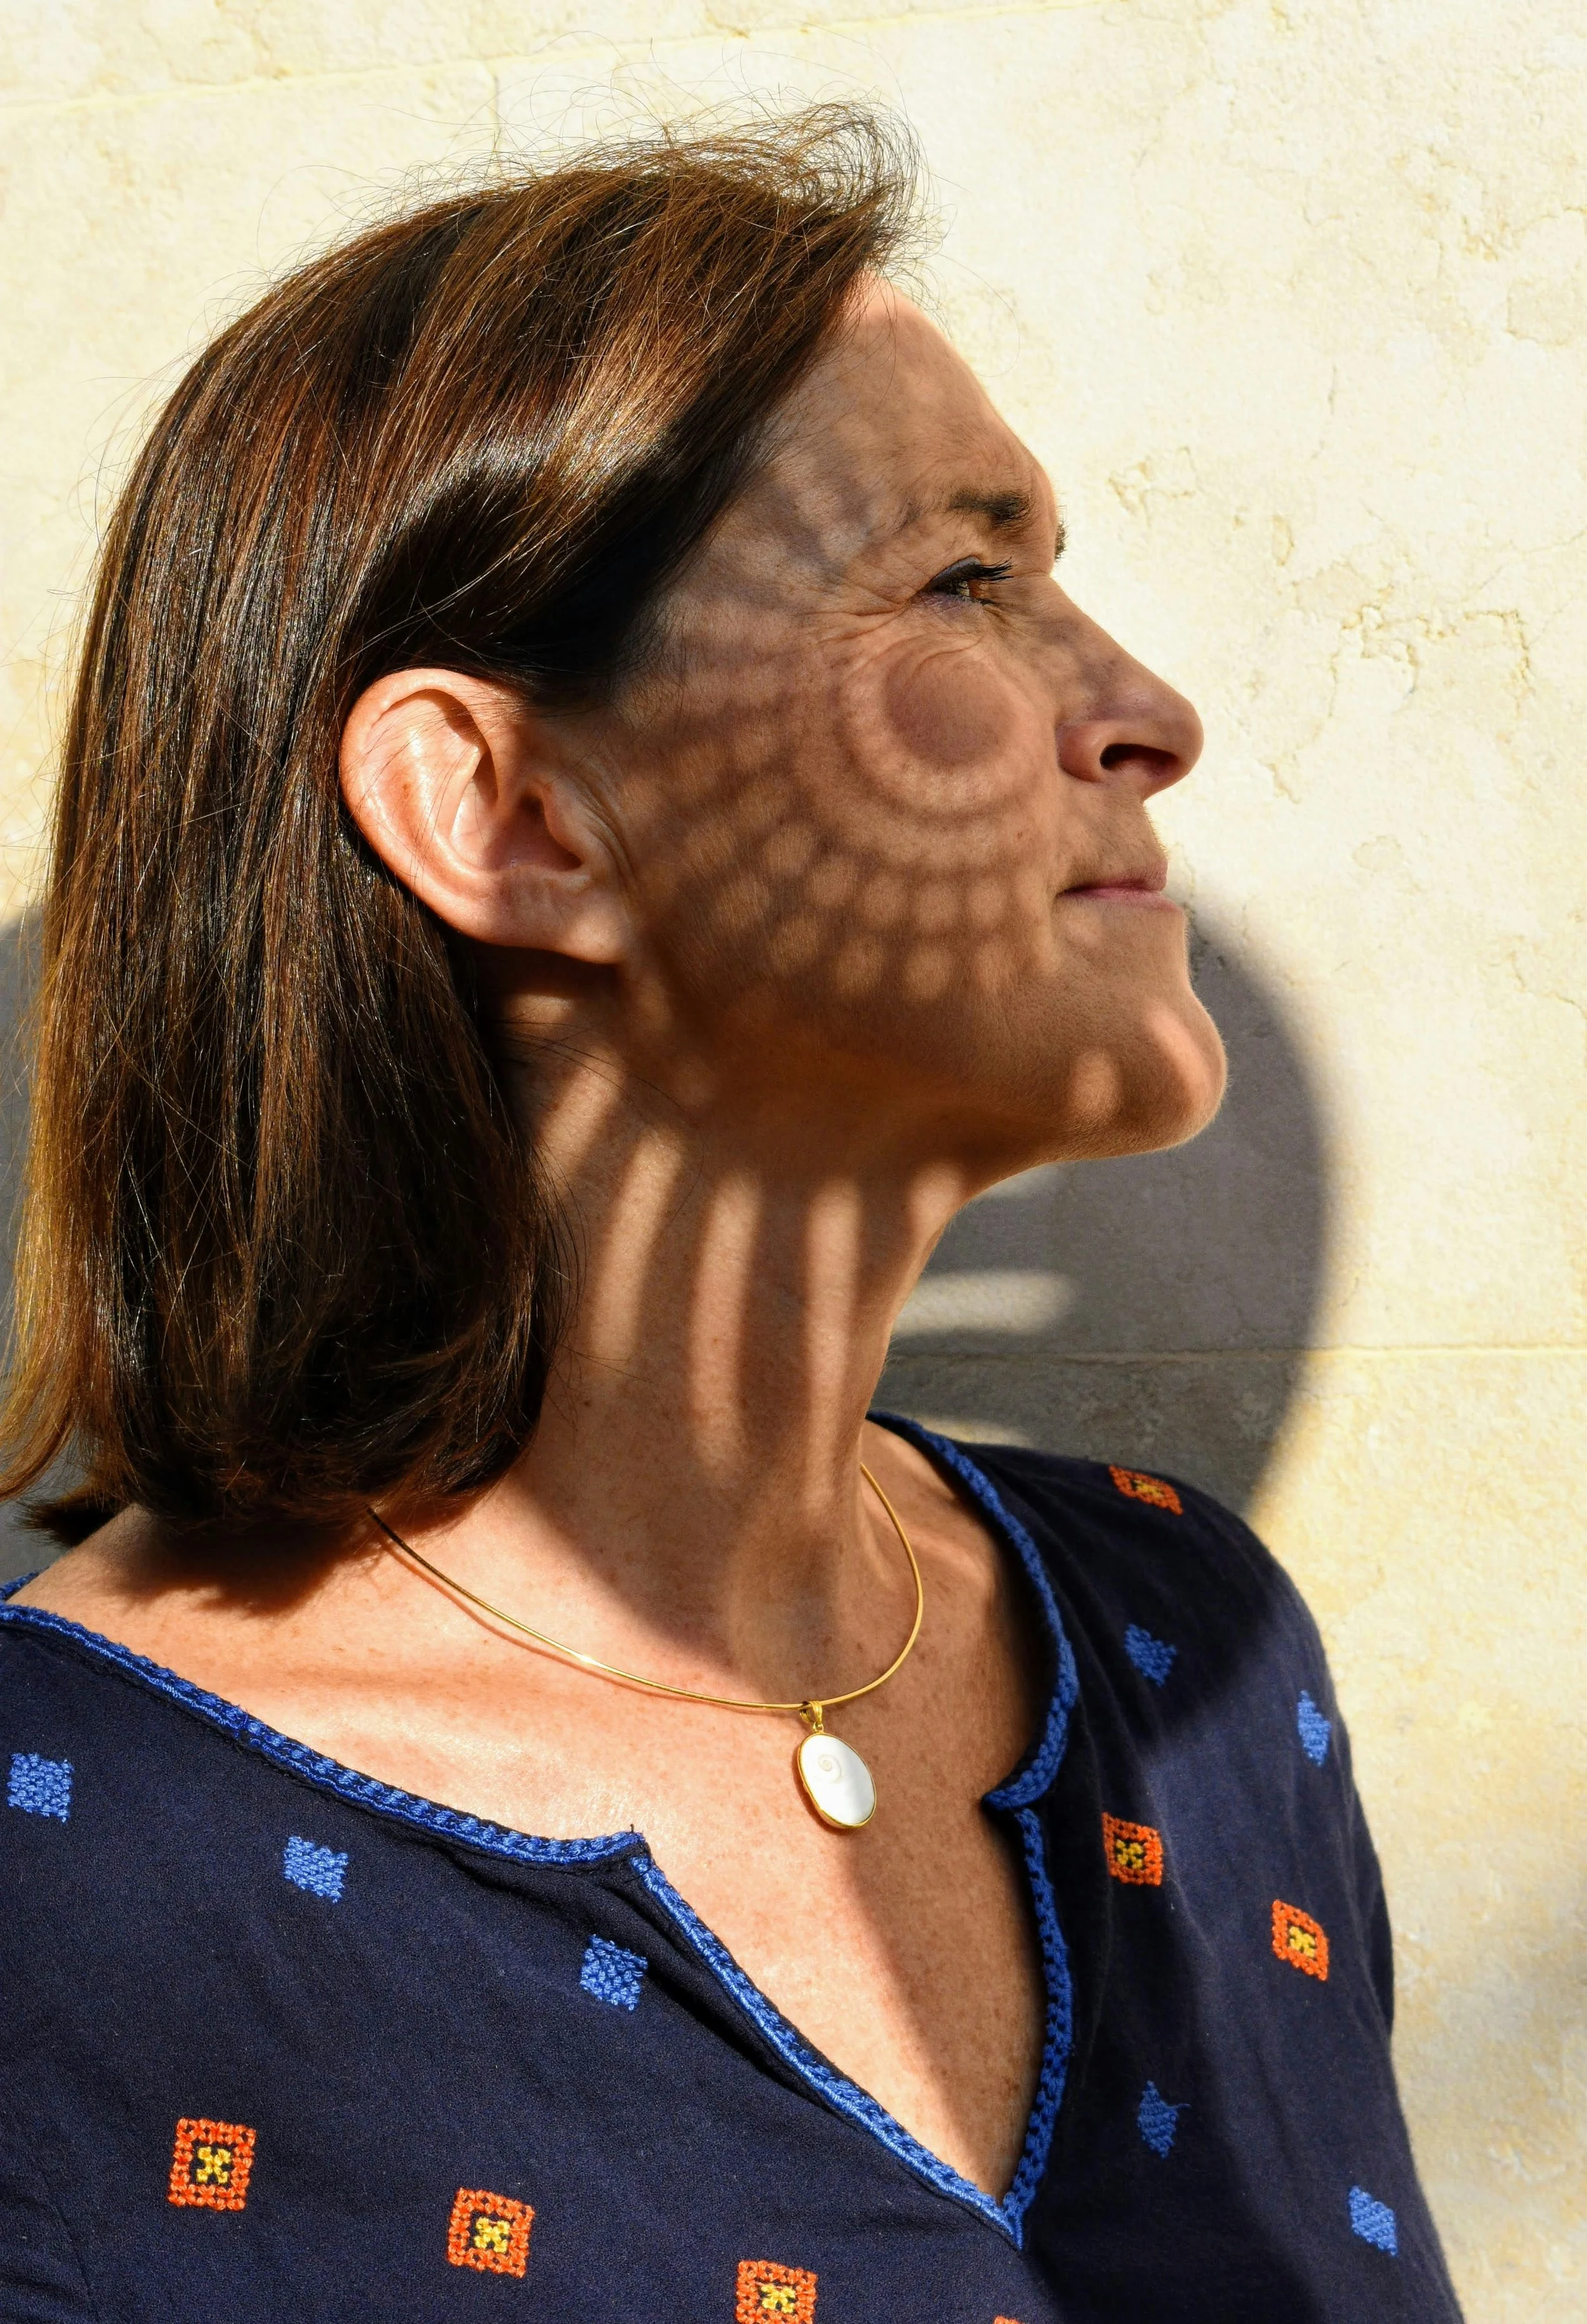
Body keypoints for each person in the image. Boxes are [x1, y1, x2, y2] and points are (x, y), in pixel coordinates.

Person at [0, 110, 1459, 2323]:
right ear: (508, 810)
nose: (1149, 716)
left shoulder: (1194, 1654)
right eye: (963, 580)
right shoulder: (69, 1879)